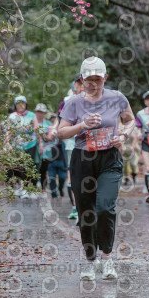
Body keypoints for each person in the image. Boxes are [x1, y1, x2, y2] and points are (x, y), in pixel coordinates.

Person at [57, 56, 135, 281]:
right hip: (83, 160)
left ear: (105, 78)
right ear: (82, 80)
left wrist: (123, 135)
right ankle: (91, 261)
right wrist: (82, 125)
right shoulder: (74, 102)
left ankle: (107, 257)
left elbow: (130, 120)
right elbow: (61, 132)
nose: (93, 84)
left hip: (109, 158)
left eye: (98, 79)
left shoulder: (117, 98)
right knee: (86, 213)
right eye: (89, 80)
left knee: (104, 208)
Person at [5, 95, 39, 200]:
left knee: (30, 166)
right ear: (15, 105)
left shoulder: (32, 115)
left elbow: (37, 130)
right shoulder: (12, 116)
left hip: (31, 144)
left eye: (22, 103)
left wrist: (41, 143)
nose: (20, 105)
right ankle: (21, 188)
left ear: (26, 104)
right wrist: (7, 143)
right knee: (18, 167)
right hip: (17, 146)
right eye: (18, 103)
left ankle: (29, 189)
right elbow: (8, 131)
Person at [61, 73, 84, 219]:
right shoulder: (66, 101)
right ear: (74, 85)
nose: (81, 86)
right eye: (79, 83)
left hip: (90, 144)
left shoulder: (96, 99)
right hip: (71, 143)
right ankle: (75, 207)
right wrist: (54, 130)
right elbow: (60, 121)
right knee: (72, 174)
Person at [44, 112, 67, 198]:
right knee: (51, 178)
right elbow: (44, 137)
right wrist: (50, 135)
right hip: (51, 159)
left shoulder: (64, 127)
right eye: (52, 120)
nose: (53, 121)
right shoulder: (49, 129)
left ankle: (60, 188)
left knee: (62, 178)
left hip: (61, 159)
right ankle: (54, 195)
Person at [34, 103, 50, 192]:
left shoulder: (48, 124)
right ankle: (33, 188)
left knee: (43, 170)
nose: (40, 114)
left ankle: (43, 189)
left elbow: (51, 137)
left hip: (45, 152)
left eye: (42, 112)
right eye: (38, 112)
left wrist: (41, 135)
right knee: (33, 170)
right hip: (33, 150)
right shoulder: (31, 122)